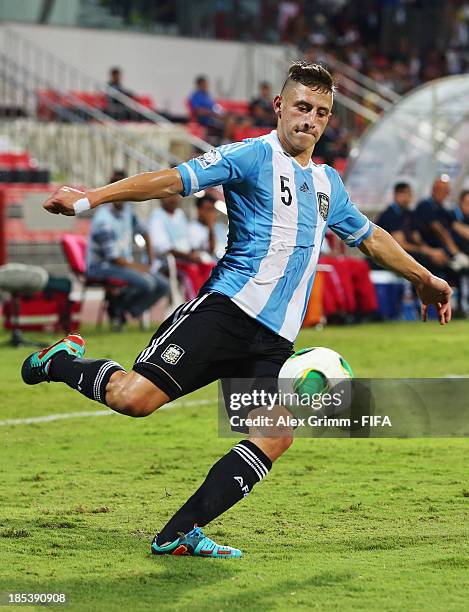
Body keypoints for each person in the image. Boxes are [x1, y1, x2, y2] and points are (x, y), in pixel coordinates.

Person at [22, 62, 451, 559]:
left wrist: (426, 279)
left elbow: (371, 238)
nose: (310, 120)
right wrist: (92, 197)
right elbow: (173, 180)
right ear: (280, 107)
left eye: (321, 113)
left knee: (274, 435)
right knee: (133, 400)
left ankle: (178, 533)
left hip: (274, 341)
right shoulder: (252, 155)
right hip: (225, 313)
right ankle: (59, 361)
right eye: (302, 108)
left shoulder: (329, 183)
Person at [86, 170, 170, 330]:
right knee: (148, 283)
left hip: (122, 264)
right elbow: (113, 258)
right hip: (101, 267)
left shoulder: (127, 211)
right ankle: (119, 309)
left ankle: (120, 308)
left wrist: (150, 260)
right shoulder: (103, 220)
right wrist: (140, 268)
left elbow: (145, 232)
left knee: (164, 285)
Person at [377, 182, 450, 274]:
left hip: (408, 252)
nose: (409, 198)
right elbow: (400, 245)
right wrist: (428, 252)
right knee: (424, 261)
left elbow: (417, 238)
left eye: (410, 194)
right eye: (407, 194)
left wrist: (432, 252)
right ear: (397, 195)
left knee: (441, 258)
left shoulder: (408, 214)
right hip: (388, 255)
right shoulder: (390, 215)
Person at [414, 177, 469, 272]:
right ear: (433, 189)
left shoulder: (443, 209)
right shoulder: (425, 205)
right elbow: (439, 230)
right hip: (427, 251)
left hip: (442, 252)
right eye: (440, 190)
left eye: (446, 191)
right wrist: (455, 252)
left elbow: (457, 226)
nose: (443, 193)